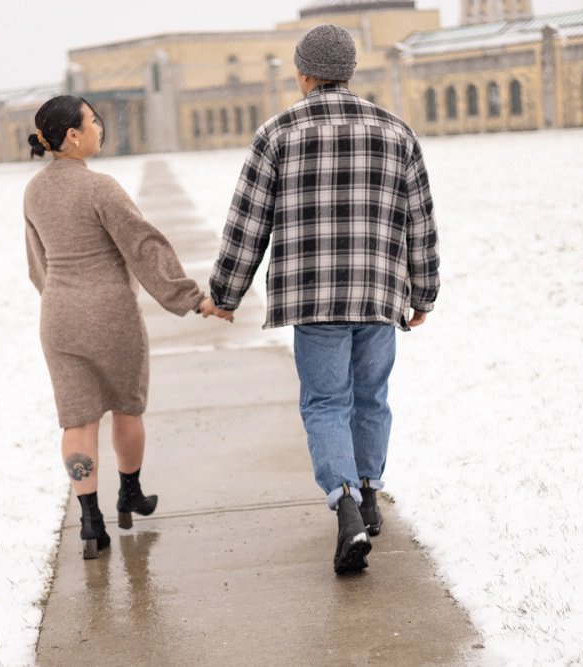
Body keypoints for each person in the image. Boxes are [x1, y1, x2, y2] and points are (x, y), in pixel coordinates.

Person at [208, 25, 440, 574]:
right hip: (379, 294)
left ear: (303, 72)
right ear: (350, 70)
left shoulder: (277, 133)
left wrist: (225, 293)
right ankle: (367, 491)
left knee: (325, 402)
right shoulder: (396, 131)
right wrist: (423, 292)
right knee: (371, 397)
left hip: (313, 300)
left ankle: (345, 513)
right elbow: (421, 223)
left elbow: (247, 225)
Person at [24, 95, 230, 560]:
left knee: (76, 421)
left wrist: (58, 299)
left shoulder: (33, 192)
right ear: (72, 136)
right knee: (126, 408)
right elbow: (143, 246)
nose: (100, 128)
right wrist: (191, 297)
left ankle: (90, 522)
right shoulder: (101, 188)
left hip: (58, 318)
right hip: (111, 316)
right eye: (93, 122)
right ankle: (129, 493)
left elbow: (36, 263)